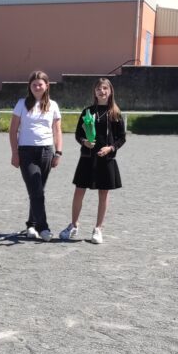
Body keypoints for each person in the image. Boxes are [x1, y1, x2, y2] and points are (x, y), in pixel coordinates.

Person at [60, 78, 126, 244]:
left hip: (107, 159)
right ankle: (73, 225)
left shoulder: (115, 113)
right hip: (87, 159)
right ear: (94, 92)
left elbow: (121, 138)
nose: (102, 91)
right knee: (78, 191)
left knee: (103, 194)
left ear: (110, 92)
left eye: (105, 88)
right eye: (98, 88)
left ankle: (98, 229)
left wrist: (111, 148)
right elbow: (78, 134)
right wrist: (85, 142)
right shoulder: (87, 112)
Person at [9, 70, 63, 241]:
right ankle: (43, 228)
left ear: (47, 86)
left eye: (40, 84)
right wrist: (14, 153)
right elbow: (12, 130)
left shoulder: (53, 105)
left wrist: (58, 152)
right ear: (29, 87)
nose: (37, 87)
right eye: (34, 84)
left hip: (47, 151)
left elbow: (57, 131)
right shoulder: (21, 104)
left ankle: (31, 225)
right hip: (26, 152)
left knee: (37, 191)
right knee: (37, 191)